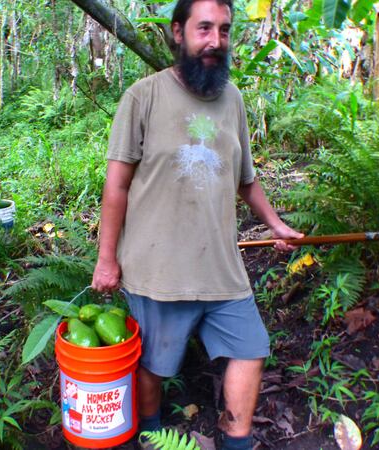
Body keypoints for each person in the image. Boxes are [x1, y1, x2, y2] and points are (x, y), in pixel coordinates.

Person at [91, 0, 304, 448]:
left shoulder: (233, 100)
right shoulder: (143, 96)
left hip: (222, 268)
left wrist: (275, 224)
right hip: (158, 270)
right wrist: (106, 260)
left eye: (224, 30)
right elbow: (116, 187)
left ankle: (235, 440)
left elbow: (246, 179)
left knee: (251, 348)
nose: (215, 41)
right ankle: (150, 435)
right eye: (204, 28)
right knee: (154, 364)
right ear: (177, 32)